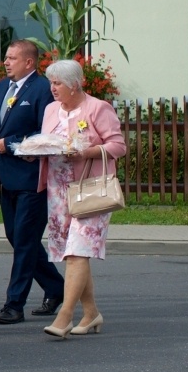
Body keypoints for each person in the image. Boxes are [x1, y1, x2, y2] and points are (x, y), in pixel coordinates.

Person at [38, 58, 127, 338]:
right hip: (58, 190)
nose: (52, 88)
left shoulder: (98, 108)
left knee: (78, 250)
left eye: (57, 83)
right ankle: (91, 314)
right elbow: (46, 142)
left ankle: (64, 316)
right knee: (74, 254)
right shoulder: (51, 110)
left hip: (91, 191)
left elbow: (118, 146)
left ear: (75, 85)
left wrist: (84, 152)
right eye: (51, 82)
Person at [0, 39, 63, 324]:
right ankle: (56, 287)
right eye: (5, 57)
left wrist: (10, 143)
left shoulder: (41, 90)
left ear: (29, 62)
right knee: (16, 237)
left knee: (25, 240)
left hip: (31, 178)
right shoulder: (0, 88)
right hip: (6, 177)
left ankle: (14, 304)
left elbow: (45, 132)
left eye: (12, 58)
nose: (5, 62)